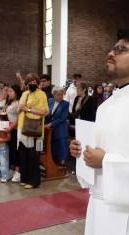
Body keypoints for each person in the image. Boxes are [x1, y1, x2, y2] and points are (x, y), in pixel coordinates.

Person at [69, 28, 129, 235]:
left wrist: (105, 160)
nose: (111, 54)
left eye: (121, 49)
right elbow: (95, 157)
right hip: (98, 206)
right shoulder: (104, 107)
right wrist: (82, 153)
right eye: (112, 49)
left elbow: (104, 158)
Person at [17, 73, 48, 189]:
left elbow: (43, 112)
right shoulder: (24, 93)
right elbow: (19, 108)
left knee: (33, 156)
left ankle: (33, 181)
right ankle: (24, 178)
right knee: (23, 155)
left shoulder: (42, 94)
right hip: (23, 126)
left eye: (35, 83)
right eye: (30, 83)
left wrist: (28, 109)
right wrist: (19, 109)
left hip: (34, 128)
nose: (33, 84)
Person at [45, 86, 69, 166]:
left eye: (62, 94)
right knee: (53, 146)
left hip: (61, 128)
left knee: (62, 146)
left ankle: (62, 164)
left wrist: (51, 124)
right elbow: (48, 113)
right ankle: (54, 162)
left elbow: (63, 118)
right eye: (58, 94)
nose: (60, 96)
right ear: (54, 95)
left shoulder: (65, 104)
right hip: (51, 129)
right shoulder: (50, 101)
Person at [3, 84, 22, 182]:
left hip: (15, 129)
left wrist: (11, 127)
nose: (9, 93)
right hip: (8, 129)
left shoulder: (19, 103)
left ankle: (18, 171)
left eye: (11, 91)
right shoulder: (9, 103)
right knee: (9, 150)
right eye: (8, 91)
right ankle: (11, 169)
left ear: (17, 92)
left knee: (15, 150)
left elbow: (19, 118)